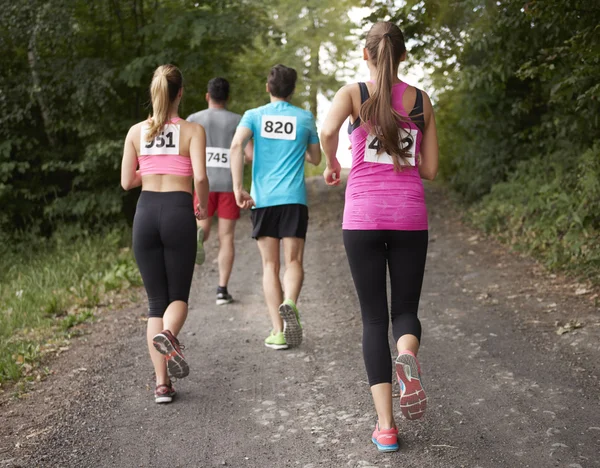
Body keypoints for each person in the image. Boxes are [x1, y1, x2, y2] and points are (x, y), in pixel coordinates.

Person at [320, 22, 439, 452]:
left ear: (366, 54)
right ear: (403, 56)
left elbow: (327, 131)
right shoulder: (421, 101)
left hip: (363, 218)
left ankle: (386, 426)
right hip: (409, 217)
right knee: (403, 311)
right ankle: (407, 353)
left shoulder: (355, 94)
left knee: (372, 319)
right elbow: (429, 171)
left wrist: (333, 163)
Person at [121, 64, 209, 404]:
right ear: (181, 92)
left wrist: (154, 166)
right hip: (176, 212)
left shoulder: (135, 132)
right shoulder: (192, 131)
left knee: (155, 302)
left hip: (145, 214)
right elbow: (199, 176)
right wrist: (201, 202)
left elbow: (128, 181)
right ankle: (169, 336)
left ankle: (162, 385)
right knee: (178, 299)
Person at [229, 64, 322, 350]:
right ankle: (290, 302)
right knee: (294, 262)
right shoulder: (305, 118)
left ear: (268, 88)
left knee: (270, 265)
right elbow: (316, 159)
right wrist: (298, 148)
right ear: (292, 90)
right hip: (294, 199)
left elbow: (236, 146)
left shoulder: (254, 116)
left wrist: (237, 188)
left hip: (263, 199)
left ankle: (279, 331)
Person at [187, 77, 252, 305]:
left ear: (208, 96)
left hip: (202, 183)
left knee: (202, 227)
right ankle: (222, 290)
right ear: (227, 97)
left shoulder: (194, 119)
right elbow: (250, 154)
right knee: (226, 237)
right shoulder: (238, 120)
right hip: (228, 185)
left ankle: (198, 238)